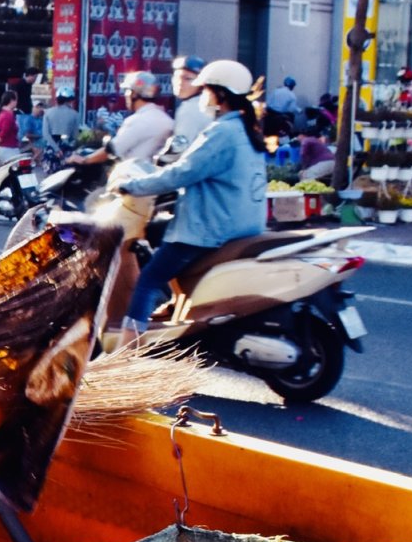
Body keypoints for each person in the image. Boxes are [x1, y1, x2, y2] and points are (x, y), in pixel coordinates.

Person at [112, 58, 268, 347]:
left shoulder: (221, 132)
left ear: (219, 94)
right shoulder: (247, 130)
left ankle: (125, 352)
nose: (202, 96)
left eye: (206, 90)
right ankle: (174, 312)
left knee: (148, 279)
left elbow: (182, 173)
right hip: (243, 224)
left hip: (211, 227)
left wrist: (132, 186)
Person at [69, 72, 172, 168]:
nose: (125, 95)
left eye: (127, 91)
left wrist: (84, 160)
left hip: (132, 179)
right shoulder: (167, 120)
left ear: (134, 94)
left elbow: (112, 150)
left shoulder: (137, 121)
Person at [162, 55, 209, 162]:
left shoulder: (190, 108)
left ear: (201, 84)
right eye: (177, 77)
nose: (180, 83)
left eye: (188, 79)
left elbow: (178, 147)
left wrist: (162, 162)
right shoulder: (206, 103)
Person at [40, 88, 82, 155]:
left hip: (51, 148)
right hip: (67, 148)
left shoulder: (48, 113)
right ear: (69, 100)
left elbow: (45, 134)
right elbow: (75, 135)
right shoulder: (75, 114)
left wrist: (56, 149)